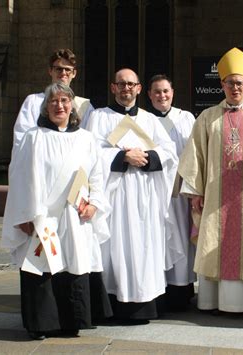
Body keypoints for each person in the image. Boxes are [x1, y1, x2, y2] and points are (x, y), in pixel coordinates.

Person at [178, 47, 243, 313]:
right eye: (230, 83)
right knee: (214, 239)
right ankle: (211, 300)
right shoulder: (207, 117)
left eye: (240, 83)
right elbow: (195, 156)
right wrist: (195, 191)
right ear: (221, 84)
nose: (235, 87)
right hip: (214, 197)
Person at [2, 83, 110, 340]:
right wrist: (24, 216)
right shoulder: (33, 137)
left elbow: (97, 176)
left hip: (74, 217)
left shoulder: (86, 139)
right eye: (53, 101)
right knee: (42, 267)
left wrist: (94, 203)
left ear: (72, 105)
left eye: (64, 100)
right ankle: (41, 324)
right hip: (41, 217)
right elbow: (18, 178)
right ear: (45, 106)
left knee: (72, 265)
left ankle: (70, 321)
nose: (59, 106)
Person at [86, 68, 178, 322]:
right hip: (114, 196)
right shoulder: (98, 118)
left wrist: (146, 158)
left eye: (131, 84)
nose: (126, 88)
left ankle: (143, 305)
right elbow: (89, 153)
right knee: (114, 247)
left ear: (139, 89)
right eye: (121, 84)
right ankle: (112, 304)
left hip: (145, 197)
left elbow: (170, 153)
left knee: (144, 247)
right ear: (113, 87)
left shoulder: (150, 120)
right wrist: (122, 156)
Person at [147, 74, 196, 311]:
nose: (161, 96)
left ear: (172, 92)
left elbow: (196, 152)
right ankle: (159, 288)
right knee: (157, 238)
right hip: (154, 189)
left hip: (180, 188)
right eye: (156, 92)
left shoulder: (185, 118)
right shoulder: (143, 120)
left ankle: (181, 289)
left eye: (165, 91)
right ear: (149, 95)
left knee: (181, 238)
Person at [13, 49, 94, 148]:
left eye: (68, 69)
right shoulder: (33, 101)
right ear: (50, 71)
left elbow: (89, 142)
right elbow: (21, 137)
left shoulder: (85, 106)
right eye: (59, 69)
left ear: (74, 73)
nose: (63, 73)